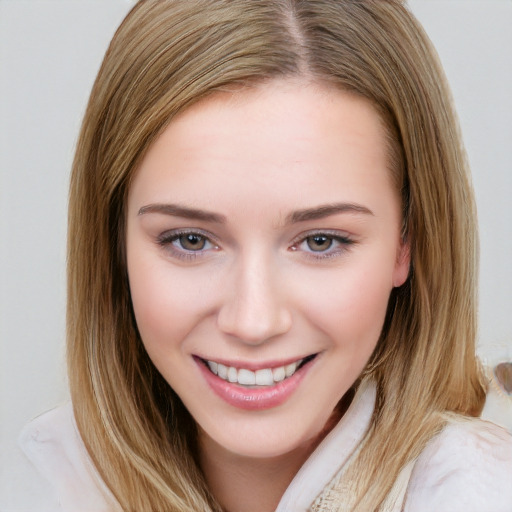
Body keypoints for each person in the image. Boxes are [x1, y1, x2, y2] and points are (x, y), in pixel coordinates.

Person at [14, 0, 512, 511]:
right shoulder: (43, 484)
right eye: (190, 240)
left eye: (321, 241)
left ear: (408, 240)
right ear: (113, 241)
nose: (253, 322)